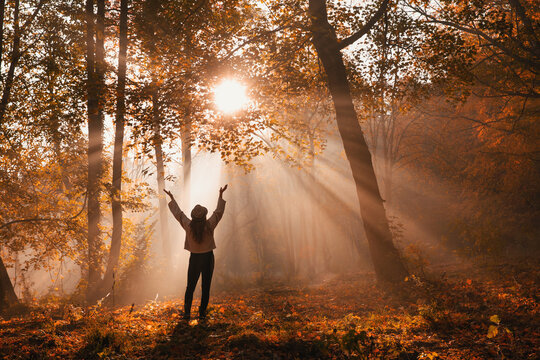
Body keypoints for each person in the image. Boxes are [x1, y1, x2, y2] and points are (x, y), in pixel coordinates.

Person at [164, 185, 227, 321]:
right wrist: (220, 195)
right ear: (204, 216)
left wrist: (172, 198)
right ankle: (202, 314)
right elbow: (218, 212)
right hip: (208, 258)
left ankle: (187, 313)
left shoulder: (188, 226)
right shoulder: (209, 225)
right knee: (206, 287)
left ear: (193, 217)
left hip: (194, 259)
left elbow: (178, 214)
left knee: (190, 286)